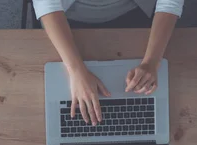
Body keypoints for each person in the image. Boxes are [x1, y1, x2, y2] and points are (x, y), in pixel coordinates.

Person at [32, 0, 182, 126]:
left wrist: (152, 61)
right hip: (67, 14)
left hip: (134, 11)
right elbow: (47, 4)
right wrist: (76, 71)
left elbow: (169, 3)